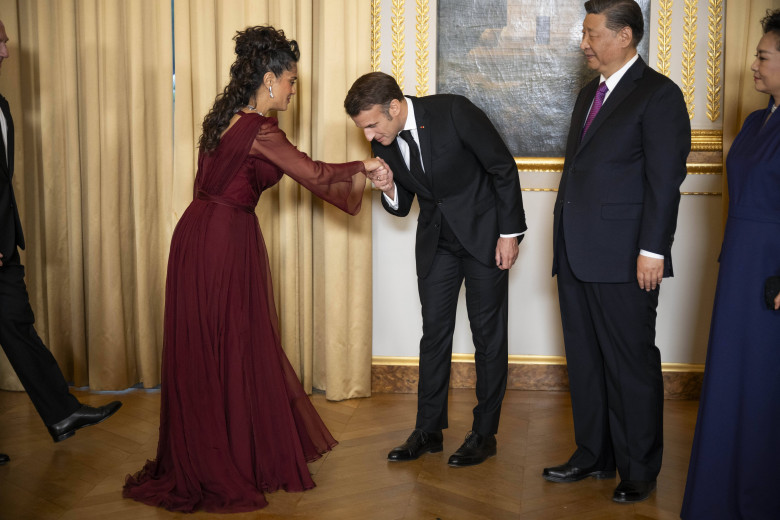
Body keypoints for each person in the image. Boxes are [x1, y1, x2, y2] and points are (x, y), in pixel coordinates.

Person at [122, 26, 387, 513]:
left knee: (215, 347)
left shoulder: (225, 119)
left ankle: (218, 452)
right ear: (268, 78)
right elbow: (312, 173)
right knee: (232, 344)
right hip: (224, 241)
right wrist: (363, 169)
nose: (293, 88)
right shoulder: (260, 129)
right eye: (289, 79)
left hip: (198, 236)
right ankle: (226, 461)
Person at [543, 0, 690, 504]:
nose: (583, 43)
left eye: (591, 33)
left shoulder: (659, 95)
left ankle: (639, 468)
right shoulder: (590, 94)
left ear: (624, 35)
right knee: (584, 361)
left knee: (631, 364)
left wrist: (654, 250)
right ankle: (594, 454)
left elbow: (664, 182)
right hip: (577, 253)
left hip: (628, 257)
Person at [344, 72, 526, 467]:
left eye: (373, 125)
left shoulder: (453, 111)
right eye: (364, 129)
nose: (370, 137)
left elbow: (502, 167)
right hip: (437, 243)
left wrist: (509, 233)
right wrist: (389, 186)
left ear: (393, 107)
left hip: (483, 237)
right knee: (435, 336)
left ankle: (484, 433)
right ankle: (428, 430)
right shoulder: (384, 137)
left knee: (487, 339)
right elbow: (405, 202)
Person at [0, 18, 122, 466]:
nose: (7, 52)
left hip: (5, 243)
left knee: (18, 325)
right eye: (1, 43)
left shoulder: (1, 104)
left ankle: (63, 414)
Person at [680, 9, 780, 519]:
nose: (753, 65)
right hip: (739, 266)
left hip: (772, 277)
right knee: (733, 383)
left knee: (764, 389)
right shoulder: (756, 120)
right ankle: (722, 500)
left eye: (763, 56)